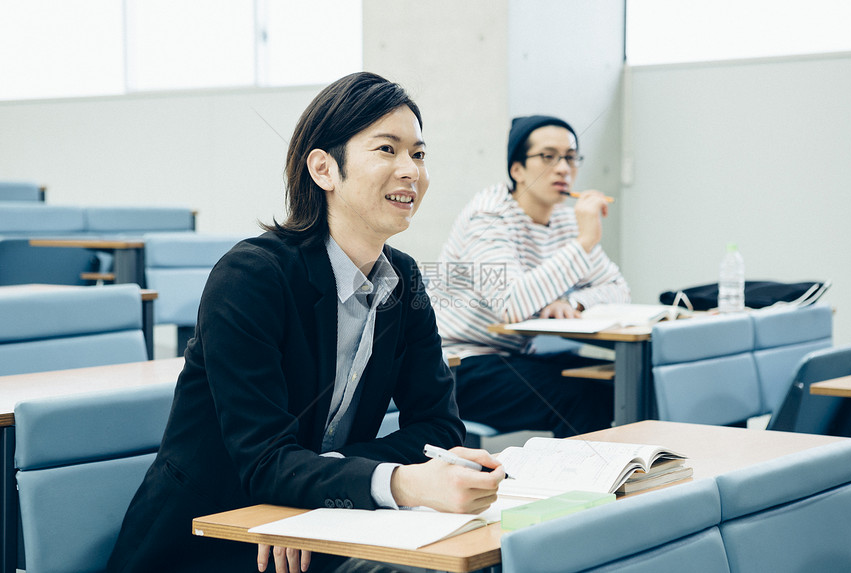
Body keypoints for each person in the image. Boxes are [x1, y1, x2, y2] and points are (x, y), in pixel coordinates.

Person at [107, 72, 504, 573]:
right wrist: (400, 481)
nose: (411, 171)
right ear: (324, 169)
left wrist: (323, 480)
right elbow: (263, 462)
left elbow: (440, 427)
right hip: (210, 542)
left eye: (419, 154)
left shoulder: (403, 278)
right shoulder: (251, 276)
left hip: (323, 531)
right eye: (387, 149)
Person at [429, 115, 631, 438]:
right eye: (548, 157)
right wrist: (584, 243)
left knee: (625, 384)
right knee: (579, 395)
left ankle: (642, 480)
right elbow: (511, 303)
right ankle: (587, 485)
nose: (564, 168)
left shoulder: (565, 220)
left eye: (570, 157)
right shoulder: (489, 217)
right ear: (517, 169)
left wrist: (573, 301)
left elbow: (618, 289)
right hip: (460, 366)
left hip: (521, 357)